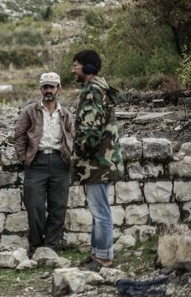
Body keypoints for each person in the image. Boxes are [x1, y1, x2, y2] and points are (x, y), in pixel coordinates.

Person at [71, 49, 124, 271]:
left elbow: (90, 131)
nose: (73, 69)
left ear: (87, 68)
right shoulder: (100, 89)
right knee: (97, 211)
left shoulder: (93, 91)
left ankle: (103, 258)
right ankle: (96, 254)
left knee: (100, 211)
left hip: (97, 163)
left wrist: (79, 152)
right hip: (103, 161)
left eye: (76, 65)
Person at [12, 72, 74, 256]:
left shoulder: (65, 113)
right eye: (45, 86)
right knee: (34, 206)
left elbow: (72, 135)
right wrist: (24, 158)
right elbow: (19, 135)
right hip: (36, 162)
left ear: (58, 89)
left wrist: (69, 153)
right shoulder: (30, 110)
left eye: (52, 86)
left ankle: (51, 247)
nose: (48, 90)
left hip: (60, 162)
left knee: (58, 207)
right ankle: (36, 248)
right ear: (41, 89)